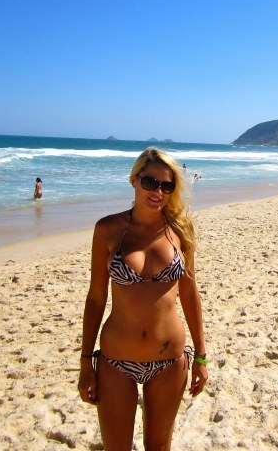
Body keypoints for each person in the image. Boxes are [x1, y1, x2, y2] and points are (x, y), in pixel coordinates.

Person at [78, 147, 208, 450]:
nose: (158, 192)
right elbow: (96, 297)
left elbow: (190, 293)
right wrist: (86, 362)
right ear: (134, 180)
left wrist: (201, 357)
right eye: (150, 182)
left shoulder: (180, 228)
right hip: (115, 361)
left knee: (159, 447)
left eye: (167, 185)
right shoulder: (108, 229)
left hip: (169, 361)